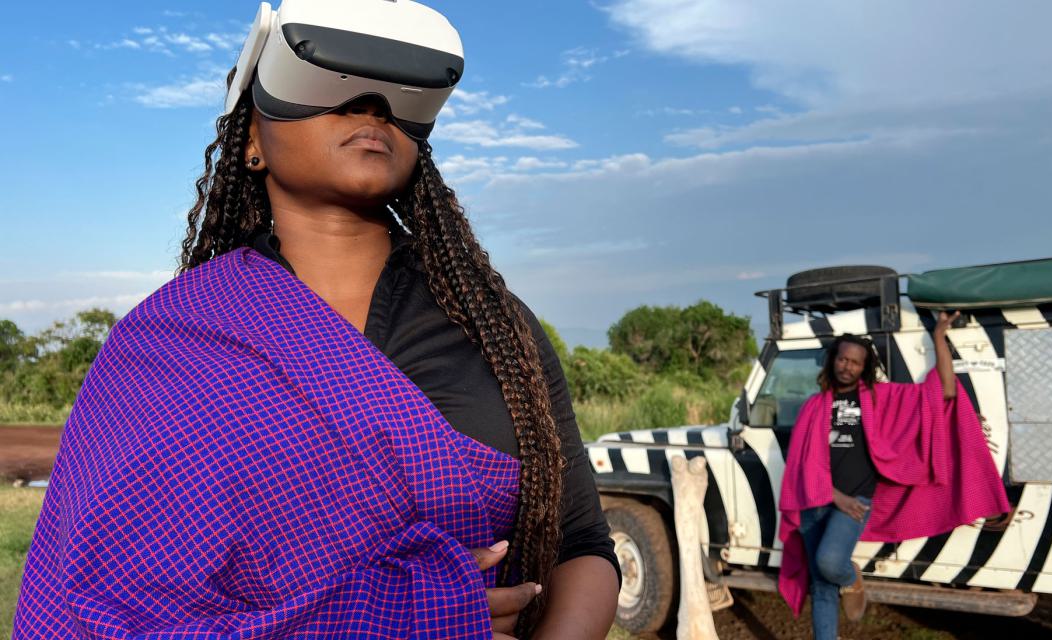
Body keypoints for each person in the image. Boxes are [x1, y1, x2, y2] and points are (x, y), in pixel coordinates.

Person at [13, 2, 619, 638]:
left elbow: (580, 542)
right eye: (333, 89)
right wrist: (404, 619)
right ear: (251, 140)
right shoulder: (168, 341)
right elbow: (96, 600)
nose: (370, 109)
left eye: (392, 99)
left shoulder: (499, 329)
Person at [777, 312, 1010, 640]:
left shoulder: (878, 398)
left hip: (854, 502)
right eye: (842, 359)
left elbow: (942, 391)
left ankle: (852, 579)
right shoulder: (813, 406)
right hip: (816, 501)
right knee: (821, 585)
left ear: (864, 368)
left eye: (855, 362)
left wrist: (939, 337)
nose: (847, 366)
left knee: (830, 563)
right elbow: (801, 467)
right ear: (832, 361)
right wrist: (832, 495)